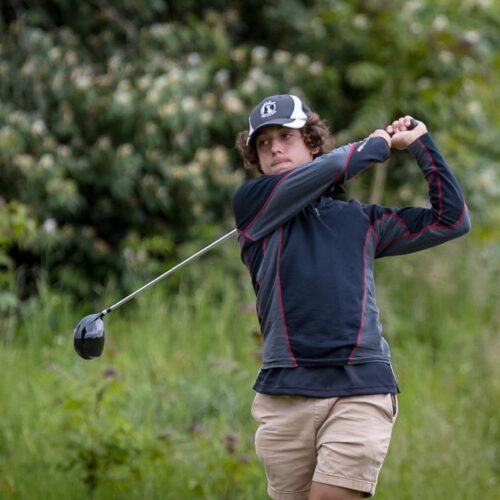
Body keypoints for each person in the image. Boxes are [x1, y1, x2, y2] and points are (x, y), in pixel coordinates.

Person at [232, 94, 470, 500]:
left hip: (359, 388)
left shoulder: (361, 220)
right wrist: (375, 144)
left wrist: (420, 145)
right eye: (263, 142)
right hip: (285, 395)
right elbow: (330, 169)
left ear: (311, 141)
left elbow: (451, 220)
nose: (274, 147)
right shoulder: (254, 207)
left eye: (286, 136)